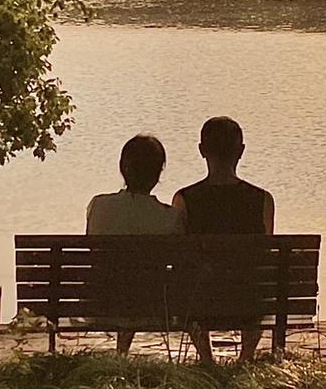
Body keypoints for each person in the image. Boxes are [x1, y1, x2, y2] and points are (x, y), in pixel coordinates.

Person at [173, 116, 275, 363]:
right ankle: (245, 357)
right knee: (260, 280)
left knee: (187, 278)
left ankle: (207, 359)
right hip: (248, 302)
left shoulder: (184, 199)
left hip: (200, 302)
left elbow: (179, 256)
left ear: (201, 151)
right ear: (241, 151)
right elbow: (265, 258)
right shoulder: (262, 200)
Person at [87, 134, 179, 354]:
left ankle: (122, 353)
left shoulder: (99, 207)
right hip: (153, 307)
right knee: (138, 280)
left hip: (101, 305)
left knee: (121, 275)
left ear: (122, 168)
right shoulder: (169, 218)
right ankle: (122, 352)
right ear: (158, 174)